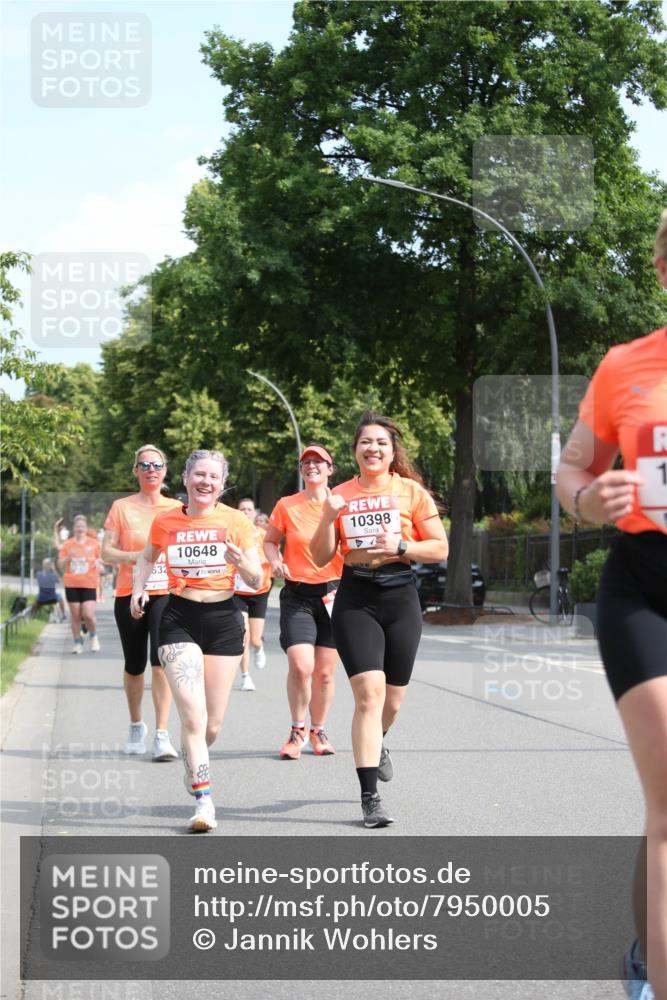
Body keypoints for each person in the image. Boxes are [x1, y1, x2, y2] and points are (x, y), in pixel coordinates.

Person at [556, 210, 667, 1000]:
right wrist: (589, 499)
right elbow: (572, 468)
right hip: (646, 587)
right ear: (662, 271)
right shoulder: (626, 365)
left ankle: (643, 948)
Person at [311, 411, 448, 828]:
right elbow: (320, 556)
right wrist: (328, 517)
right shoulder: (339, 495)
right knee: (368, 696)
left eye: (381, 443)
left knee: (392, 701)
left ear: (392, 451)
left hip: (400, 595)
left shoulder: (411, 492)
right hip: (356, 597)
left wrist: (402, 545)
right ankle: (370, 797)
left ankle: (378, 741)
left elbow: (440, 549)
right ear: (355, 450)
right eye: (365, 442)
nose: (373, 448)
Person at [130, 449, 262, 833]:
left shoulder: (236, 521)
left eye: (213, 477)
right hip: (178, 619)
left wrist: (241, 562)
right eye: (199, 475)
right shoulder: (166, 520)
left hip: (223, 621)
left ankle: (193, 760)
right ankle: (204, 802)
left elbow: (256, 579)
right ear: (186, 479)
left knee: (212, 725)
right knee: (192, 714)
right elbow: (146, 558)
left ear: (222, 484)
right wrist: (139, 589)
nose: (206, 482)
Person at [264, 445, 343, 760]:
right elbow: (270, 541)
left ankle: (318, 730)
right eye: (306, 462)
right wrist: (275, 561)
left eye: (318, 462)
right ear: (301, 470)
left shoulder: (341, 504)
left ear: (330, 469)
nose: (311, 466)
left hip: (334, 593)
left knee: (324, 672)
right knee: (301, 665)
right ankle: (297, 730)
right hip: (298, 594)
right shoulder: (287, 505)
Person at [102, 445, 181, 760]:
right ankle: (136, 725)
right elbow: (106, 552)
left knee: (162, 660)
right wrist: (140, 557)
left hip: (166, 592)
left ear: (165, 471)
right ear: (135, 470)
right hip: (129, 592)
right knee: (134, 665)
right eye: (145, 465)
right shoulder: (121, 507)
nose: (151, 470)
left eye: (157, 465)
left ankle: (162, 733)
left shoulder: (176, 508)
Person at [234, 498, 272, 691]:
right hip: (238, 592)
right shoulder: (232, 534)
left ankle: (259, 647)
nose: (246, 512)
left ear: (255, 513)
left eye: (249, 509)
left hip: (259, 590)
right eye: (242, 509)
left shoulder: (263, 535)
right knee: (244, 634)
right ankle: (245, 676)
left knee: (255, 639)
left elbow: (273, 556)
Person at [58, 515, 103, 654]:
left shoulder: (94, 543)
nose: (80, 529)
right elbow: (59, 563)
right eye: (77, 526)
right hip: (71, 583)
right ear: (73, 528)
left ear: (86, 528)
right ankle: (77, 642)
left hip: (89, 583)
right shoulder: (67, 544)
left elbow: (102, 560)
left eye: (82, 526)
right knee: (75, 615)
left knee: (88, 614)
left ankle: (93, 636)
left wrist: (99, 563)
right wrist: (67, 558)